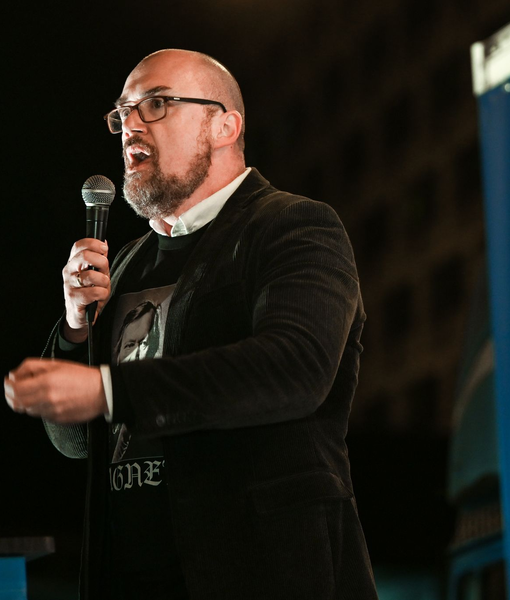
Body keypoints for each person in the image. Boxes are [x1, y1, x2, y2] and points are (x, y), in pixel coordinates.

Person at [3, 49, 377, 600]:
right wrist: (76, 329)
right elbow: (76, 442)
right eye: (122, 112)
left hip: (259, 575)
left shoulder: (292, 227)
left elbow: (294, 369)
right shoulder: (126, 263)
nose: (131, 124)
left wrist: (108, 389)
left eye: (156, 104)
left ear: (225, 126)